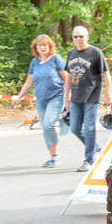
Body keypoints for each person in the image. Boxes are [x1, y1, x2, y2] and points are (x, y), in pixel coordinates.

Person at [10, 35, 68, 167]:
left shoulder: (55, 59)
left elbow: (67, 77)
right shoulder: (34, 62)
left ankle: (56, 156)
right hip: (41, 99)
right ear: (36, 47)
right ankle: (53, 156)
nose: (42, 47)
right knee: (45, 128)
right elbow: (29, 82)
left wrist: (68, 96)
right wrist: (18, 97)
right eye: (39, 45)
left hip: (57, 96)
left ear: (49, 46)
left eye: (45, 45)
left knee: (48, 124)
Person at [62, 25, 112, 171]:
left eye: (81, 36)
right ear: (72, 38)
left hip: (91, 95)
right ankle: (95, 147)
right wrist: (66, 98)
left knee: (90, 128)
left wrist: (108, 93)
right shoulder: (71, 53)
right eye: (75, 37)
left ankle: (89, 159)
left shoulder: (96, 53)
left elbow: (106, 74)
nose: (78, 39)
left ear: (87, 37)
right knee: (74, 128)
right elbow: (68, 77)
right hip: (75, 97)